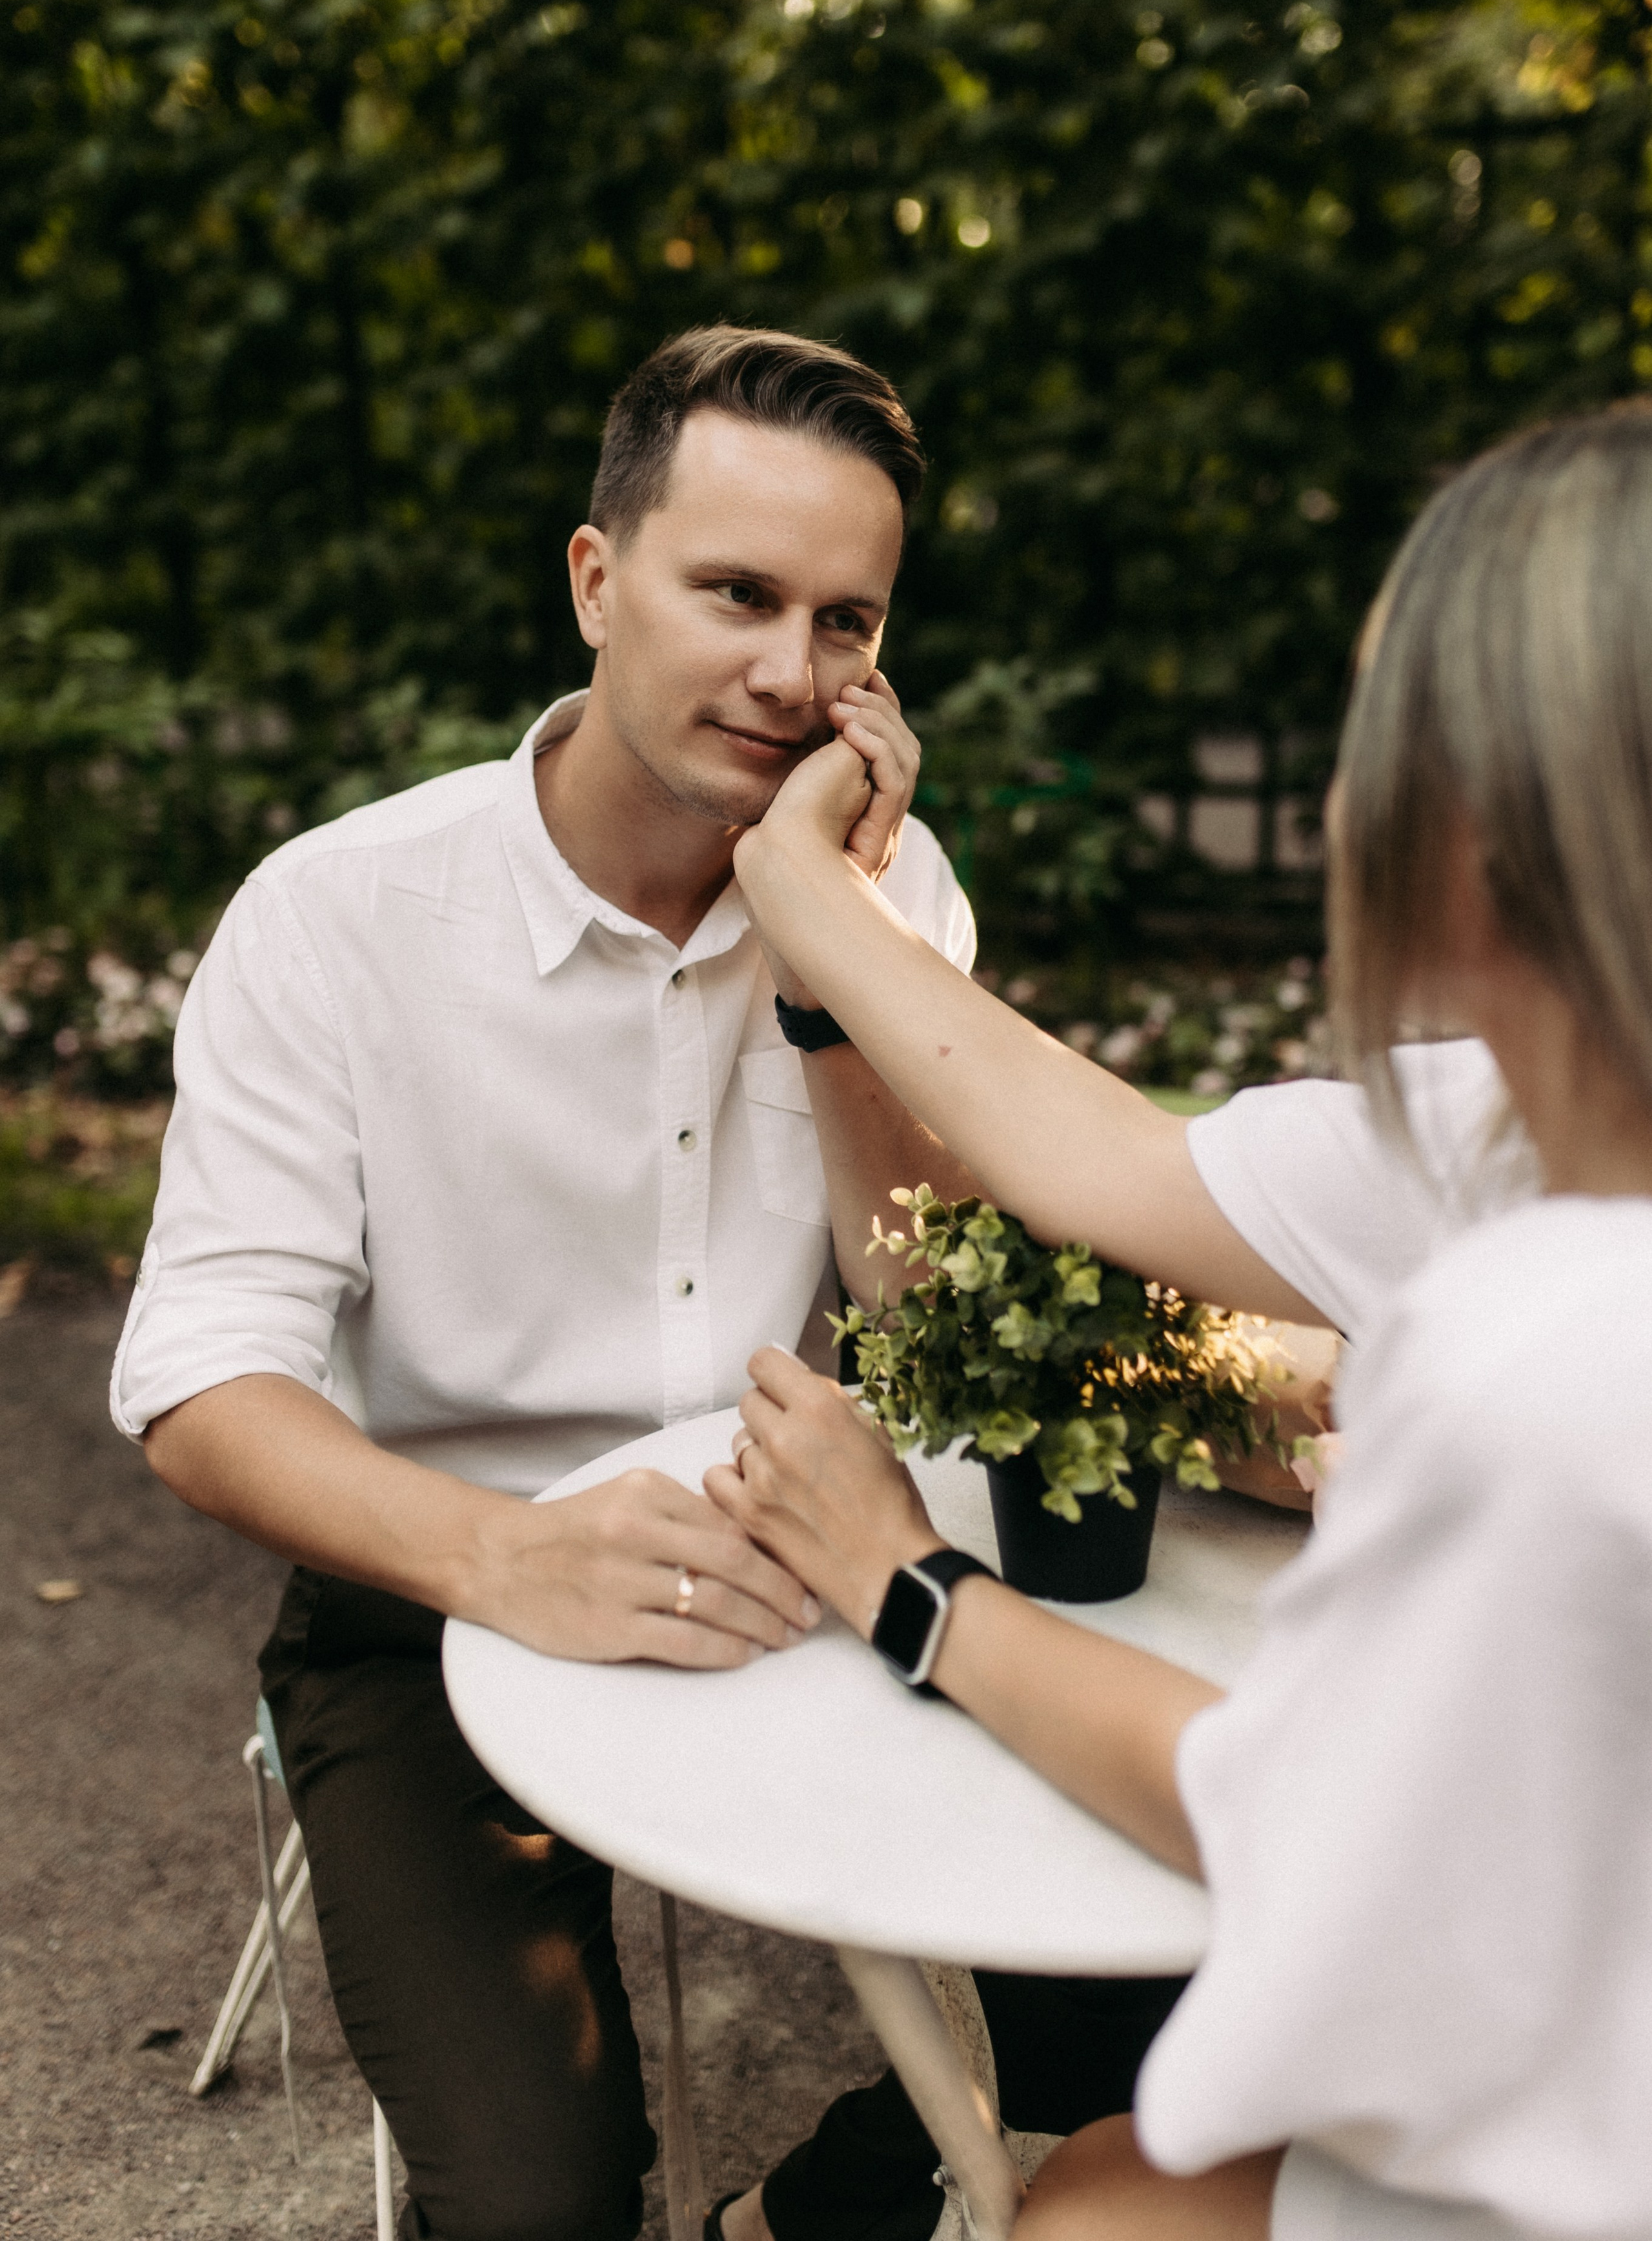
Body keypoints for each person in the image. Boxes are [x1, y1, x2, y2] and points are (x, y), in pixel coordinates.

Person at [710, 400, 1652, 2238]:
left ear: (1488, 815)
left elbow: (1285, 1836)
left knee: (1069, 2204)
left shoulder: (1534, 1341)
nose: (1331, 805)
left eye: (1374, 736)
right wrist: (802, 892)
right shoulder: (1492, 1127)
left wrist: (904, 1578)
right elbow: (1105, 1161)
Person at [111, 325, 986, 2241]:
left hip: (792, 1560)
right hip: (428, 1591)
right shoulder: (338, 915)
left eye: (847, 621)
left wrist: (829, 954)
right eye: (737, 592)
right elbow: (198, 1380)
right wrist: (505, 1558)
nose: (792, 669)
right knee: (535, 2206)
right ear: (597, 579)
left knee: (1164, 2005)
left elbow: (927, 1324)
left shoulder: (884, 885)